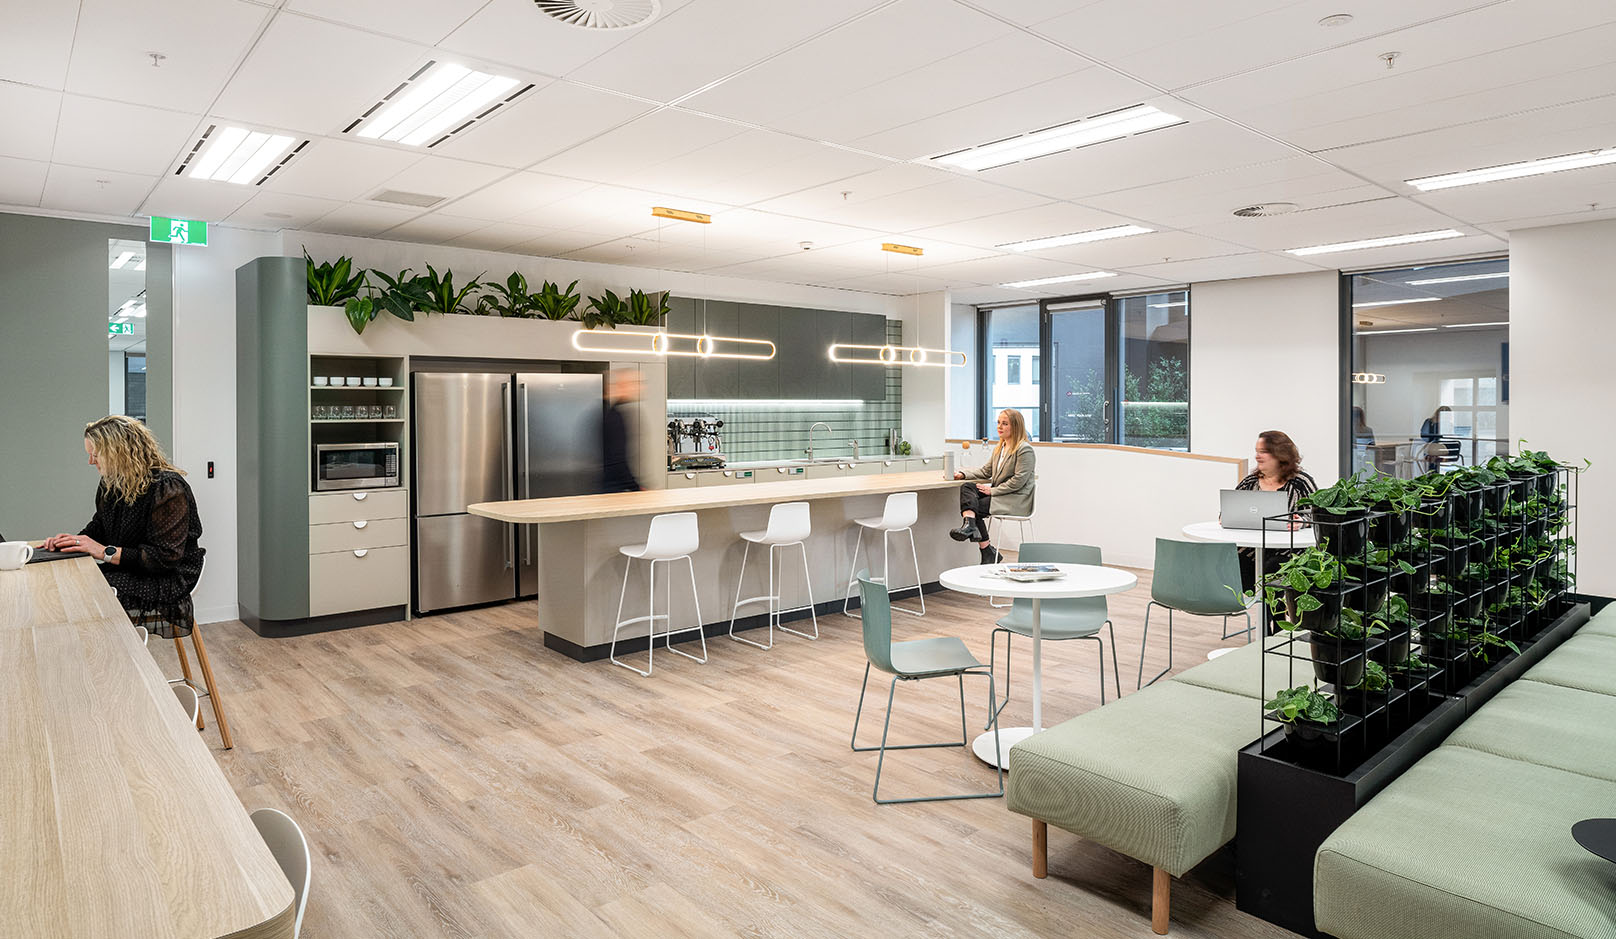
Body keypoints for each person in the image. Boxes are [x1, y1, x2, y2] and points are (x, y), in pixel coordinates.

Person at [42, 416, 205, 639]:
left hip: (168, 576)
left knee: (84, 593)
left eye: (96, 455)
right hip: (133, 567)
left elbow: (164, 558)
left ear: (119, 453)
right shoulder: (111, 483)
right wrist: (74, 542)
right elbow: (99, 526)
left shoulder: (168, 487)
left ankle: (109, 661)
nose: (91, 462)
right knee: (71, 586)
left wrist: (102, 551)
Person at [1234, 430, 1316, 594]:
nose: (1257, 457)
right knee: (1232, 562)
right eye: (1257, 451)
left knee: (1272, 569)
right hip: (1253, 550)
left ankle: (1274, 616)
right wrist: (1226, 517)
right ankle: (1265, 614)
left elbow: (1317, 514)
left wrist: (1302, 521)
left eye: (1263, 452)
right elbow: (1231, 510)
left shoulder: (1301, 483)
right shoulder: (1249, 482)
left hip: (1290, 552)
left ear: (1281, 454)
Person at [951, 409, 1036, 565]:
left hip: (1015, 499)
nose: (999, 427)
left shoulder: (1024, 449)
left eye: (1004, 424)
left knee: (973, 507)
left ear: (1015, 427)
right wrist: (963, 474)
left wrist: (992, 490)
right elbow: (985, 471)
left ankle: (984, 547)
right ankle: (975, 533)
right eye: (998, 423)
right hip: (1001, 495)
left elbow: (1019, 481)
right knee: (967, 488)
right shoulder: (1000, 447)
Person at [600, 369, 643, 493]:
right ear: (622, 386)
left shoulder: (613, 412)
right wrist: (636, 487)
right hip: (615, 489)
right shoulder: (615, 416)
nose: (639, 387)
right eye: (634, 383)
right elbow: (617, 459)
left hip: (613, 486)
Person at [1419, 405, 1457, 471]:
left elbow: (1424, 437)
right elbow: (1451, 438)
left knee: (1431, 450)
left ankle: (1432, 471)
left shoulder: (1429, 422)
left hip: (1434, 450)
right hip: (1446, 450)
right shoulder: (1448, 425)